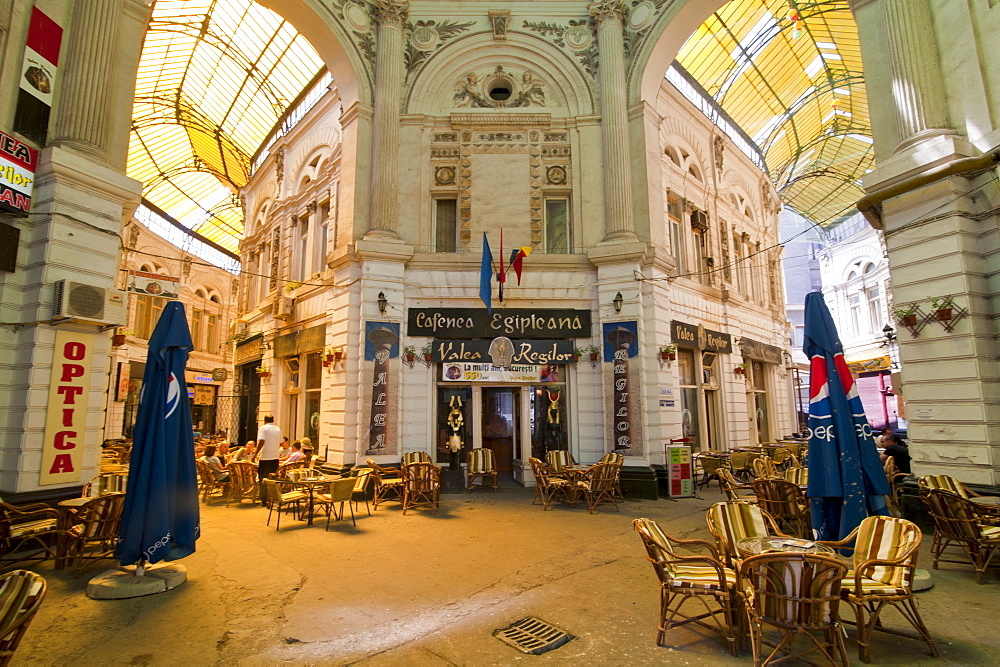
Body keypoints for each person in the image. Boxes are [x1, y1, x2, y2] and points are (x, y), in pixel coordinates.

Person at [257, 415, 282, 504]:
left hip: (265, 458)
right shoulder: (278, 429)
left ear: (264, 421)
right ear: (273, 420)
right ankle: (274, 497)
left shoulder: (263, 429)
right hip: (275, 457)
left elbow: (261, 441)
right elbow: (280, 442)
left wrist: (255, 454)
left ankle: (264, 499)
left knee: (263, 479)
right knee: (273, 479)